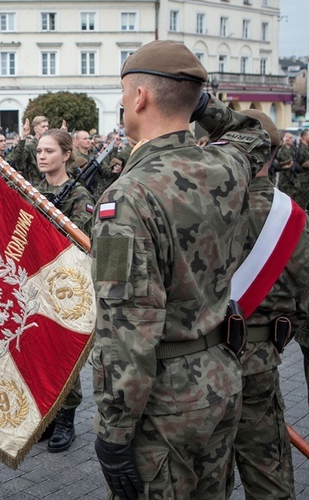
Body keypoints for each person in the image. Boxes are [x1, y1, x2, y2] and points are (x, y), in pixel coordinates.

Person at [90, 40, 270, 499]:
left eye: (124, 93)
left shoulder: (127, 197)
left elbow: (128, 329)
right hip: (221, 377)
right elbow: (255, 134)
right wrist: (199, 103)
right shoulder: (226, 165)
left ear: (139, 98)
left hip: (164, 400)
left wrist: (113, 432)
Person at [231, 109, 308, 500]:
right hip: (259, 366)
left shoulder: (196, 210)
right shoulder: (291, 218)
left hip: (190, 375)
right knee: (270, 484)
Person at [33, 129, 95, 452]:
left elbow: (79, 246)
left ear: (66, 155)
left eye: (49, 151)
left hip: (65, 287)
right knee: (41, 351)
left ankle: (66, 419)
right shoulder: (33, 191)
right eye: (39, 151)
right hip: (36, 285)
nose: (42, 156)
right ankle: (49, 415)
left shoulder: (79, 196)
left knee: (63, 354)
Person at [12, 115, 49, 184]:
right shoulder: (30, 146)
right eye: (43, 126)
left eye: (47, 126)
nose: (46, 128)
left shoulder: (49, 144)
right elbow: (18, 161)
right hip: (35, 184)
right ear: (35, 129)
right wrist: (23, 137)